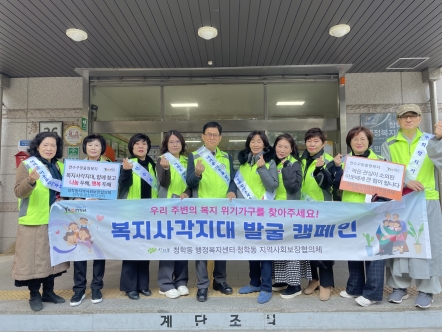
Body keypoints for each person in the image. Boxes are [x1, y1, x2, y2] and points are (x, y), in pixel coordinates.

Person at [381, 104, 442, 309]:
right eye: (404, 117)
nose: (408, 120)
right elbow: (386, 171)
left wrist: (440, 140)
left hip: (427, 199)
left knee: (426, 244)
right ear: (397, 120)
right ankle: (399, 287)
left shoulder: (431, 140)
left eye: (412, 116)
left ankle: (427, 289)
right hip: (400, 201)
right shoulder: (389, 143)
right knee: (397, 241)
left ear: (419, 119)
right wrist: (405, 181)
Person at [12, 132, 70, 311]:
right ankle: (34, 294)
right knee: (34, 260)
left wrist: (64, 199)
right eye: (45, 145)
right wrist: (30, 181)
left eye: (53, 145)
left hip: (56, 220)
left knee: (51, 259)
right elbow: (18, 192)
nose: (49, 148)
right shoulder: (28, 165)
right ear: (37, 146)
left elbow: (66, 191)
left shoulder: (60, 166)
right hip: (33, 220)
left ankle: (49, 292)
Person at [331, 126, 386, 307]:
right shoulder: (345, 161)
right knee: (353, 248)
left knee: (373, 250)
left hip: (373, 213)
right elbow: (337, 185)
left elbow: (388, 191)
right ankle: (355, 287)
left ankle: (372, 293)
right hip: (351, 210)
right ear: (349, 143)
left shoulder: (380, 161)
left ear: (369, 141)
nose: (359, 142)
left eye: (362, 138)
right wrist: (337, 168)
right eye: (355, 139)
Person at [186, 121, 236, 302]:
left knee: (221, 247)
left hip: (223, 210)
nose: (212, 137)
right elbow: (189, 183)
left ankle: (220, 281)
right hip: (202, 210)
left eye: (215, 135)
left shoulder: (227, 158)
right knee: (202, 248)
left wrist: (232, 190)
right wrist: (197, 174)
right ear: (203, 136)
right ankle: (202, 285)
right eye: (209, 134)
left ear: (220, 138)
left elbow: (232, 180)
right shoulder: (194, 156)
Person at [236, 131, 279, 304]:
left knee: (265, 251)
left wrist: (262, 168)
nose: (255, 144)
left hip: (264, 214)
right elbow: (236, 182)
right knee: (251, 249)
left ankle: (266, 287)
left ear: (264, 144)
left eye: (259, 141)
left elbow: (273, 185)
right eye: (252, 141)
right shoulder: (244, 164)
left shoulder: (270, 162)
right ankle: (254, 282)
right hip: (247, 215)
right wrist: (232, 190)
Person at [70, 134, 110, 307]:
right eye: (90, 145)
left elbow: (114, 192)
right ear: (85, 148)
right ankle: (79, 289)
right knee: (80, 251)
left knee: (98, 252)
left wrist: (102, 200)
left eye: (97, 145)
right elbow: (69, 190)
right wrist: (74, 199)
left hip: (100, 216)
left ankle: (96, 287)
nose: (93, 148)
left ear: (102, 148)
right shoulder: (77, 166)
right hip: (80, 215)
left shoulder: (109, 167)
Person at [271, 133, 312, 298]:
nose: (282, 150)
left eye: (286, 147)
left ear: (292, 149)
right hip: (276, 211)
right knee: (279, 247)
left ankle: (294, 284)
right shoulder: (275, 163)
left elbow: (293, 187)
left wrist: (287, 166)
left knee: (291, 247)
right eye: (279, 146)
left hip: (291, 212)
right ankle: (282, 280)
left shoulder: (296, 164)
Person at [118, 133, 157, 300]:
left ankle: (143, 285)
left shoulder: (153, 165)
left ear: (148, 146)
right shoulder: (128, 164)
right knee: (131, 251)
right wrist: (126, 172)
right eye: (137, 144)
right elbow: (123, 185)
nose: (140, 146)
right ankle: (130, 287)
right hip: (131, 213)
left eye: (144, 143)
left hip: (149, 214)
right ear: (132, 147)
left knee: (145, 250)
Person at [299, 127, 335, 301]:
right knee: (309, 246)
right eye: (309, 141)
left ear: (323, 143)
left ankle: (326, 283)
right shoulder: (301, 160)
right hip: (304, 211)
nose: (312, 144)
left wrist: (321, 170)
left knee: (323, 247)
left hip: (322, 210)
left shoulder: (328, 160)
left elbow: (328, 185)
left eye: (316, 141)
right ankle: (314, 279)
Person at [157, 130, 191, 299]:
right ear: (166, 144)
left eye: (178, 141)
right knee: (168, 244)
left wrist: (187, 192)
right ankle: (165, 283)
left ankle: (181, 281)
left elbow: (191, 182)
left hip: (184, 207)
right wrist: (165, 168)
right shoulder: (162, 159)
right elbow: (164, 182)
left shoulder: (187, 160)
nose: (175, 144)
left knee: (182, 243)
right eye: (171, 142)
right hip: (167, 208)